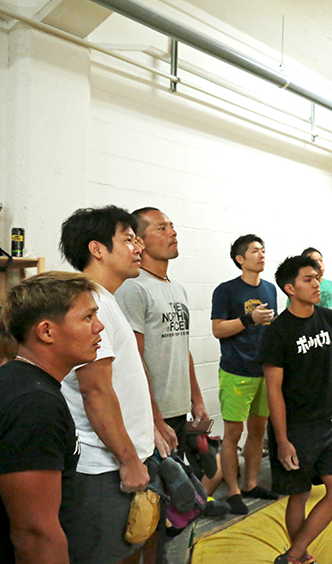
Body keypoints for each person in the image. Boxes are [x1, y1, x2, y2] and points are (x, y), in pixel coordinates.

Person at [58, 206, 160, 564]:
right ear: (97, 249)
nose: (139, 248)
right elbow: (95, 391)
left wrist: (151, 428)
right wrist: (128, 459)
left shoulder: (105, 299)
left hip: (118, 458)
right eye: (128, 240)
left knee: (128, 549)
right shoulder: (92, 304)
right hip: (104, 465)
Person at [115, 208, 220, 497]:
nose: (172, 232)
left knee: (178, 499)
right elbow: (134, 359)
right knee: (151, 501)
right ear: (140, 241)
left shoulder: (176, 289)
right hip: (149, 416)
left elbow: (182, 348)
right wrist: (155, 418)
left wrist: (196, 400)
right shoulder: (132, 288)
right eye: (161, 228)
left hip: (176, 413)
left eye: (172, 226)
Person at [260, 255, 332, 564]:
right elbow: (273, 391)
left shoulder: (327, 318)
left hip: (325, 423)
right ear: (290, 288)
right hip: (295, 428)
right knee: (299, 494)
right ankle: (299, 557)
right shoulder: (278, 331)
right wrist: (282, 439)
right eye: (308, 279)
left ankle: (292, 555)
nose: (317, 284)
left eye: (316, 278)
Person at [0, 272, 101, 564]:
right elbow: (35, 534)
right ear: (46, 332)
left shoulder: (22, 382)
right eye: (87, 317)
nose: (99, 326)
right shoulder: (35, 405)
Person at [211, 234, 279, 515]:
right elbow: (218, 329)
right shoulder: (226, 290)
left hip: (264, 371)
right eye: (254, 251)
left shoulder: (271, 289)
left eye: (263, 250)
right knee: (233, 433)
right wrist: (249, 319)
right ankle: (233, 490)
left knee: (258, 430)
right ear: (240, 259)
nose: (261, 255)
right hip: (236, 371)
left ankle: (250, 483)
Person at [300, 247, 332, 324]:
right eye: (315, 262)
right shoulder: (300, 288)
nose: (320, 265)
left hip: (330, 329)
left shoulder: (331, 285)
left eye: (321, 260)